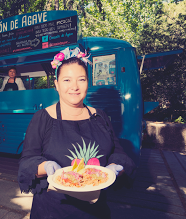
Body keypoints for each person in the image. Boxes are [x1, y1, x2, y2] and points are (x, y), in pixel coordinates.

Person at [18, 47, 136, 219]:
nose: (74, 86)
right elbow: (26, 162)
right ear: (57, 85)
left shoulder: (100, 116)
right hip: (53, 210)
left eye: (81, 79)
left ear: (88, 82)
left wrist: (114, 168)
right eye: (67, 80)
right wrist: (46, 167)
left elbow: (117, 151)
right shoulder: (43, 118)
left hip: (96, 210)